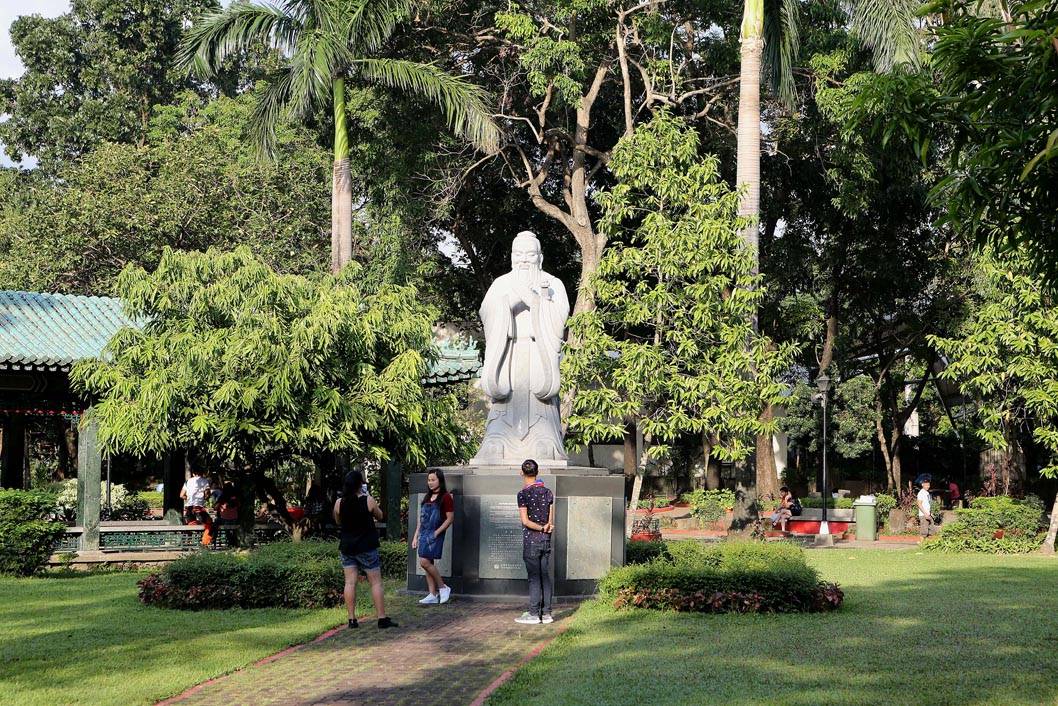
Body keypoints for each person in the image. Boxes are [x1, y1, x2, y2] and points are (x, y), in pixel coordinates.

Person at [334, 470, 396, 629]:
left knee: (349, 582)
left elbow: (338, 520)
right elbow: (380, 516)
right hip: (366, 546)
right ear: (360, 484)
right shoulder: (368, 500)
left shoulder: (339, 502)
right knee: (375, 583)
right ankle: (382, 618)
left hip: (347, 546)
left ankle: (351, 619)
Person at [516, 459, 554, 625]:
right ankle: (546, 614)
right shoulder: (547, 492)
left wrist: (539, 528)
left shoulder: (522, 494)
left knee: (534, 577)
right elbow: (550, 520)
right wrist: (545, 528)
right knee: (544, 576)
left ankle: (533, 613)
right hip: (546, 539)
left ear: (521, 473)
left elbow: (525, 521)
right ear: (537, 472)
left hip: (532, 540)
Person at [413, 470, 455, 605]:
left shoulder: (446, 497)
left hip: (435, 533)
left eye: (433, 480)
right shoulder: (426, 497)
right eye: (429, 480)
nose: (430, 483)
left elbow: (450, 519)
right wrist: (415, 536)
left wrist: (437, 533)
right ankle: (432, 594)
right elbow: (421, 519)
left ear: (440, 480)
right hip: (424, 533)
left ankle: (443, 587)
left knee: (424, 562)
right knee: (427, 563)